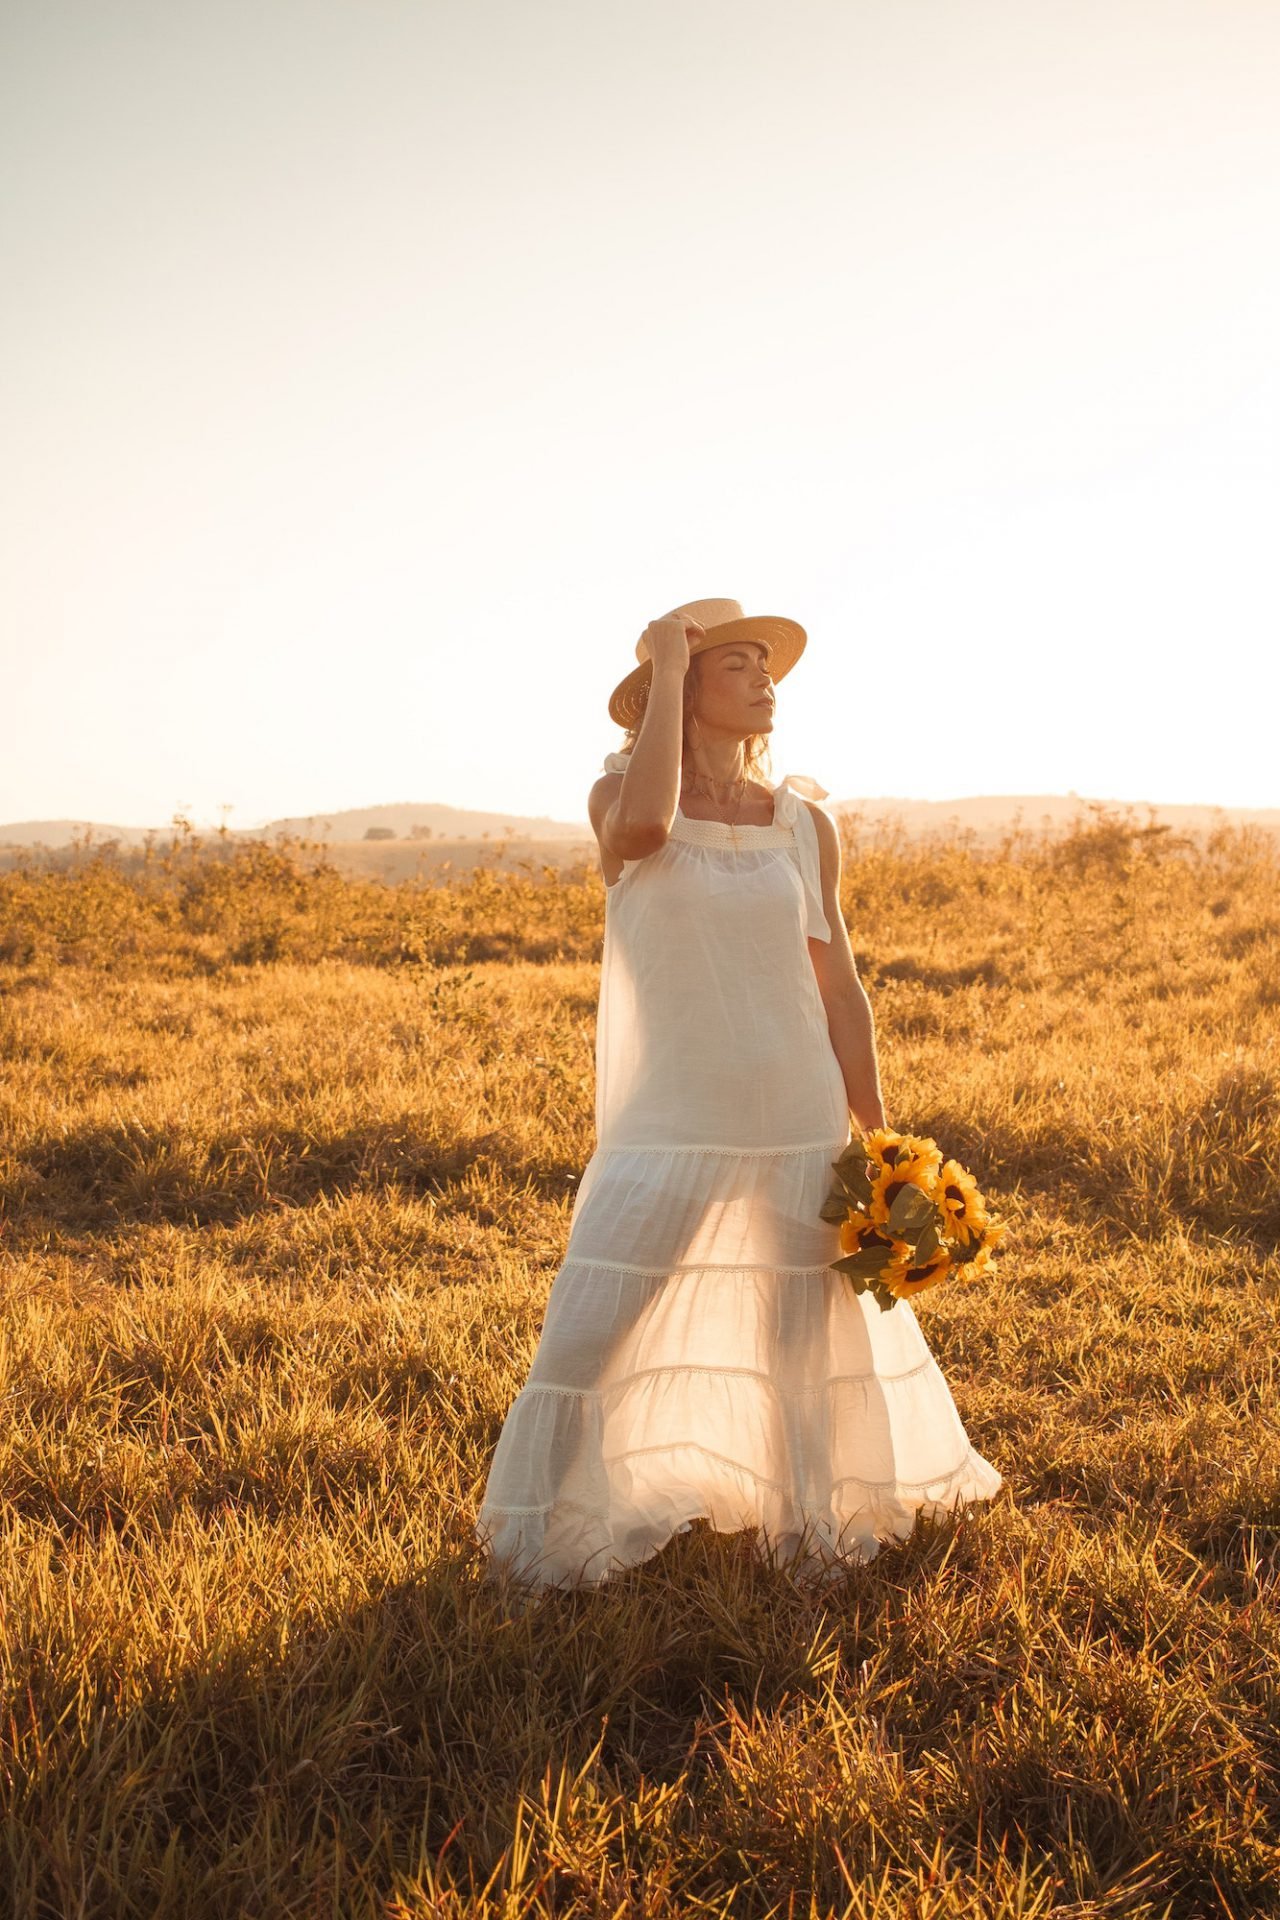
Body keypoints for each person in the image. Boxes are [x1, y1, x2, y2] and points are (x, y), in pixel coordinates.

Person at [474, 597, 1003, 1590]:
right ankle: (531, 1545)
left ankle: (807, 1531)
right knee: (588, 1332)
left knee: (799, 1337)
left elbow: (837, 984)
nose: (765, 680)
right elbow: (644, 828)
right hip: (671, 1114)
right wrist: (668, 659)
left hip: (796, 1108)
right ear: (677, 689)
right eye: (737, 665)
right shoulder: (618, 797)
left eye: (767, 666)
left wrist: (881, 1138)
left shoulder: (803, 823)